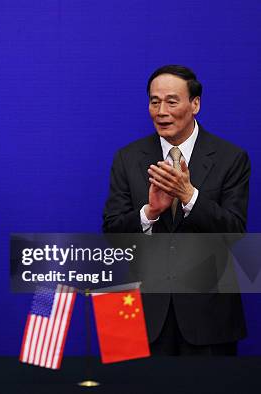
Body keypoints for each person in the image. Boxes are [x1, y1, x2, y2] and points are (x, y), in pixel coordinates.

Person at [103, 65, 249, 355]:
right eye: (154, 101)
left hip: (208, 317)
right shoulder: (128, 157)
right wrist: (149, 212)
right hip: (139, 313)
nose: (161, 111)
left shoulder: (231, 158)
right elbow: (112, 233)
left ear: (195, 104)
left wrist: (189, 196)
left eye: (172, 101)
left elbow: (234, 232)